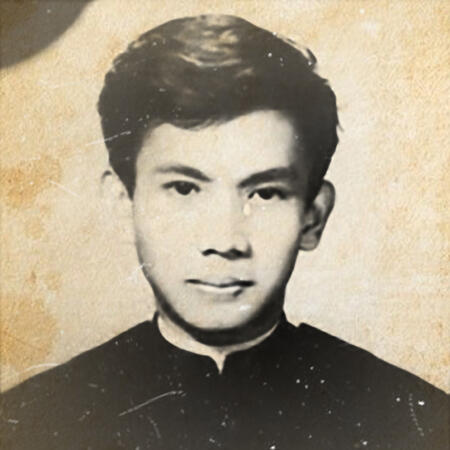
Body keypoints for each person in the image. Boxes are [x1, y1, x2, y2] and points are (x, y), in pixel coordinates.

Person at [0, 15, 447, 450]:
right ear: (124, 206)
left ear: (313, 217)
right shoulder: (29, 421)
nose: (224, 241)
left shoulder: (417, 423)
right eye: (184, 188)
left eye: (265, 193)